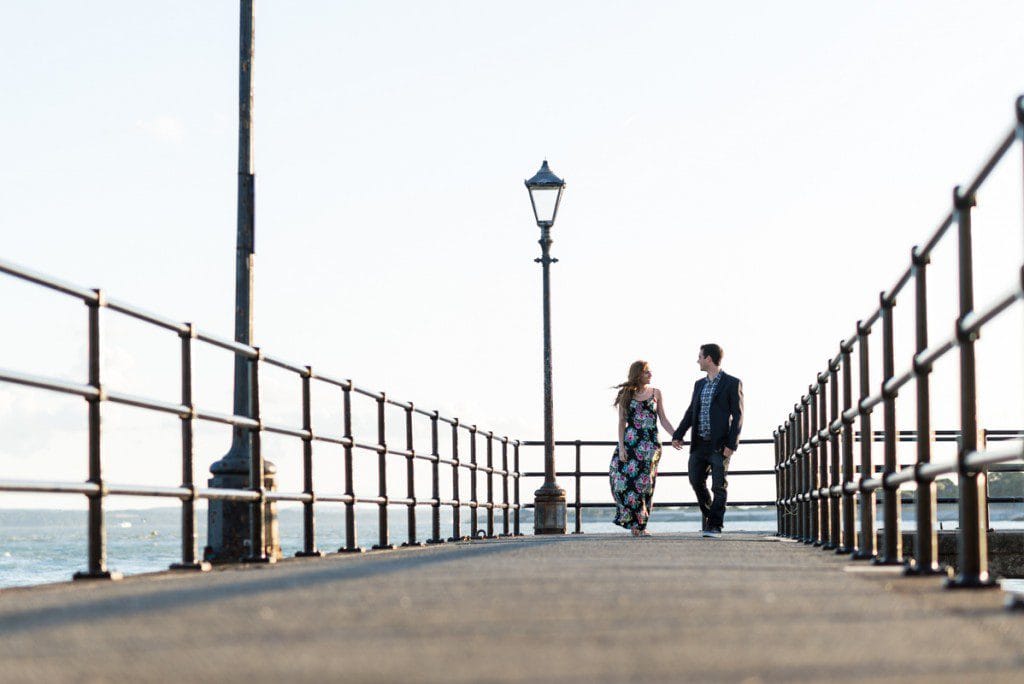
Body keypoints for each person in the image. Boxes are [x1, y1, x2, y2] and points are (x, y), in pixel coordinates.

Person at [671, 344, 744, 539]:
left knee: (718, 486)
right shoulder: (699, 385)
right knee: (695, 480)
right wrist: (678, 434)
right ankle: (712, 518)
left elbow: (738, 416)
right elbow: (691, 412)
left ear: (709, 359)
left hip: (720, 446)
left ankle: (714, 526)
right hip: (699, 444)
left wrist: (732, 445)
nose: (698, 360)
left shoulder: (732, 383)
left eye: (700, 357)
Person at [609, 360, 676, 537]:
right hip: (630, 444)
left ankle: (641, 525)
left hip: (651, 446)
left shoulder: (656, 393)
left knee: (645, 485)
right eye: (647, 371)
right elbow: (622, 423)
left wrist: (676, 435)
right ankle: (633, 522)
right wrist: (621, 447)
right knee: (623, 482)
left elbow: (663, 419)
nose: (650, 374)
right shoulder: (626, 394)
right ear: (638, 374)